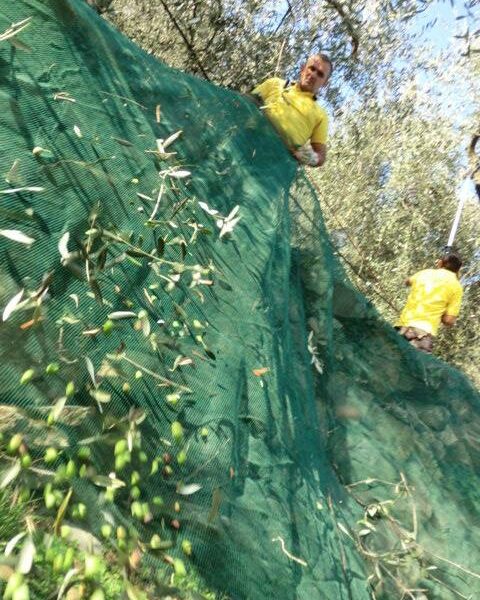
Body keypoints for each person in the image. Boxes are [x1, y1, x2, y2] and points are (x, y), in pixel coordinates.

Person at [251, 54, 332, 167]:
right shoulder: (275, 83)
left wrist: (312, 158)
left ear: (325, 83)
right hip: (245, 140)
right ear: (302, 69)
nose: (314, 75)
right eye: (312, 68)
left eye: (320, 74)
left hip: (273, 165)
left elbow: (321, 155)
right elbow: (246, 102)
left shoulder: (321, 115)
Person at [395, 253, 463, 354]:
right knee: (413, 364)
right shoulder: (456, 287)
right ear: (458, 270)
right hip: (422, 334)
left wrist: (436, 269)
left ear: (440, 263)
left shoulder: (425, 273)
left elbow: (407, 282)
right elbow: (448, 320)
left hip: (401, 327)